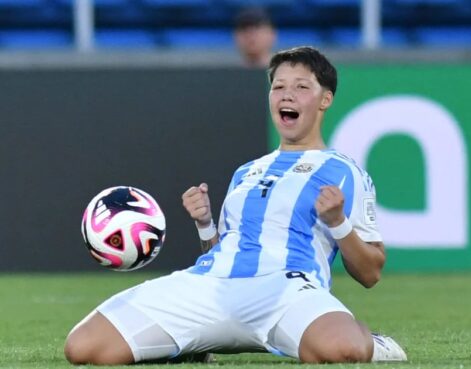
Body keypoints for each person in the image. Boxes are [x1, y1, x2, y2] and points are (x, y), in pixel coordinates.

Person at [64, 46, 407, 365]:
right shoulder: (247, 171)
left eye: (301, 87)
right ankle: (194, 343)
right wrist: (205, 224)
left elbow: (370, 272)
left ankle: (375, 343)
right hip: (211, 284)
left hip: (286, 289)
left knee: (344, 349)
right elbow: (222, 252)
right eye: (278, 87)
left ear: (325, 99)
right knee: (84, 347)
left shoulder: (345, 171)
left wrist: (337, 222)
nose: (287, 94)